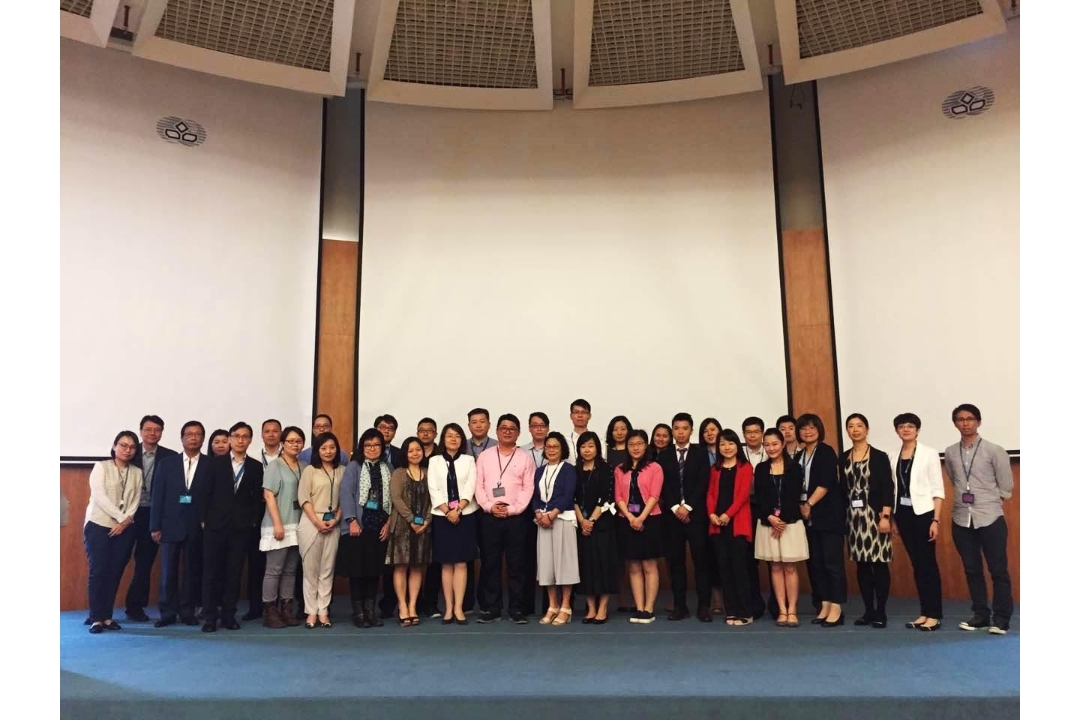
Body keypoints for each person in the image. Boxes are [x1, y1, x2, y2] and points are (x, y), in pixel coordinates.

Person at [943, 403, 1014, 635]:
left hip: (990, 517)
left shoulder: (994, 450)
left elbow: (1006, 485)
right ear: (955, 423)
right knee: (972, 569)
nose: (965, 423)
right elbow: (954, 479)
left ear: (979, 422)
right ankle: (981, 615)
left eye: (970, 419)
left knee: (998, 570)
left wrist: (991, 501)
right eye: (960, 419)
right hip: (962, 518)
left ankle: (1001, 618)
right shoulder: (951, 451)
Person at [197, 422, 264, 632]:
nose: (240, 440)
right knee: (211, 572)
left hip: (241, 528)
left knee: (233, 573)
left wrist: (252, 520)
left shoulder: (255, 466)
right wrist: (203, 519)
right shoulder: (214, 464)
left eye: (245, 437)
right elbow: (203, 493)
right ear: (231, 439)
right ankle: (210, 616)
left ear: (251, 440)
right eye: (236, 436)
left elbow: (256, 499)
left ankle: (228, 615)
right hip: (215, 527)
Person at [474, 413, 537, 624]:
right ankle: (492, 608)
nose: (507, 431)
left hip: (516, 519)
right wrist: (490, 506)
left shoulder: (525, 458)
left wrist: (513, 510)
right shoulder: (485, 457)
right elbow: (479, 486)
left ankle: (517, 608)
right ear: (497, 431)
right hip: (490, 517)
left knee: (517, 564)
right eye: (504, 428)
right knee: (490, 563)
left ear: (518, 433)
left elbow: (529, 487)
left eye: (512, 428)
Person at [888, 412, 945, 632]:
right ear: (896, 431)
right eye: (901, 426)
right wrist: (892, 518)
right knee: (917, 565)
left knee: (928, 563)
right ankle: (924, 612)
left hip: (924, 514)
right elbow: (893, 489)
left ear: (918, 430)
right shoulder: (893, 455)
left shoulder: (929, 453)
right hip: (902, 514)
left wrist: (936, 520)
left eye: (910, 426)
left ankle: (935, 614)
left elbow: (938, 489)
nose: (906, 429)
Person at [150, 421, 209, 627]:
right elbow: (158, 496)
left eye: (198, 434)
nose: (193, 437)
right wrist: (155, 526)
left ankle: (187, 611)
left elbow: (213, 498)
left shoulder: (211, 465)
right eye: (189, 434)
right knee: (168, 573)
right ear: (182, 438)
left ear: (203, 438)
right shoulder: (167, 463)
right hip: (169, 526)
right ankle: (167, 613)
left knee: (192, 572)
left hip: (197, 527)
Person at [84, 431, 143, 634]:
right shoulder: (101, 467)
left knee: (115, 572)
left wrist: (125, 522)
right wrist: (121, 518)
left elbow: (135, 500)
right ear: (115, 446)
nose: (127, 450)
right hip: (99, 524)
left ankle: (107, 617)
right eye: (123, 445)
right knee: (98, 571)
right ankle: (95, 618)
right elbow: (99, 495)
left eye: (132, 447)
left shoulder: (136, 472)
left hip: (125, 528)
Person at [658, 413, 713, 622]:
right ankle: (680, 607)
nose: (680, 432)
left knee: (701, 562)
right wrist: (675, 507)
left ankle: (703, 606)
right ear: (672, 431)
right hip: (672, 518)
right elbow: (664, 485)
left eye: (685, 428)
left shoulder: (700, 453)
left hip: (695, 516)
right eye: (677, 428)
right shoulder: (664, 455)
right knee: (676, 563)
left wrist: (687, 507)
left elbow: (703, 483)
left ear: (691, 430)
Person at [842, 413, 894, 628]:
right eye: (851, 426)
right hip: (853, 519)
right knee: (862, 567)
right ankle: (868, 611)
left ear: (867, 429)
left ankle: (881, 611)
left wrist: (885, 516)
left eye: (859, 426)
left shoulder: (879, 456)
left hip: (874, 517)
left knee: (879, 565)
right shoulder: (843, 457)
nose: (855, 430)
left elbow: (887, 487)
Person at [754, 428, 809, 628]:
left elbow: (793, 496)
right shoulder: (760, 469)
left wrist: (782, 520)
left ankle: (792, 610)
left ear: (783, 444)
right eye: (767, 445)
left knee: (790, 567)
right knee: (775, 567)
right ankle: (782, 610)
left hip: (790, 524)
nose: (771, 448)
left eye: (775, 444)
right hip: (768, 524)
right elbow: (759, 498)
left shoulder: (794, 467)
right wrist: (770, 518)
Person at [795, 413, 846, 627]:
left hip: (828, 515)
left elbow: (826, 483)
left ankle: (837, 606)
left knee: (832, 562)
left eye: (812, 427)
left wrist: (809, 504)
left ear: (819, 430)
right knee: (816, 563)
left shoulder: (825, 452)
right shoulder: (798, 456)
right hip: (806, 517)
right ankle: (824, 603)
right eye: (804, 428)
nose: (808, 431)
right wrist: (801, 506)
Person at [339, 429, 392, 628]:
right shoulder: (354, 467)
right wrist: (351, 520)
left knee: (374, 572)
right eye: (368, 445)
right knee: (357, 572)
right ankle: (359, 613)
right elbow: (345, 494)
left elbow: (393, 499)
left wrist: (388, 524)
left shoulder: (388, 467)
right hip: (358, 528)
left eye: (376, 445)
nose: (372, 449)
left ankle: (371, 612)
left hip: (379, 528)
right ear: (362, 447)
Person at [126, 414, 177, 622]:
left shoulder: (170, 457)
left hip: (153, 514)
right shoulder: (129, 451)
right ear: (141, 431)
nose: (152, 433)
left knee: (144, 563)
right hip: (127, 514)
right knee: (117, 562)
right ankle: (100, 611)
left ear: (162, 433)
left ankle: (135, 607)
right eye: (148, 429)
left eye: (157, 430)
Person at [427, 423, 478, 625]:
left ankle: (459, 607)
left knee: (462, 563)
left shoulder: (469, 460)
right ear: (443, 439)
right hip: (442, 516)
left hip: (465, 515)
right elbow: (433, 489)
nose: (453, 439)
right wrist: (448, 511)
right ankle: (448, 607)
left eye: (457, 436)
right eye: (449, 436)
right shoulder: (434, 461)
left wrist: (458, 510)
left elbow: (470, 487)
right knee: (446, 564)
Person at [258, 426, 308, 628]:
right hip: (279, 524)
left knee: (290, 570)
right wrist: (278, 523)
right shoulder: (275, 466)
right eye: (291, 441)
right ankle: (270, 610)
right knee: (274, 570)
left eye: (298, 441)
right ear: (283, 443)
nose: (295, 444)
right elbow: (268, 495)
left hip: (298, 524)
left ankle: (286, 608)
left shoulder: (304, 466)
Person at [615, 429, 664, 624]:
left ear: (646, 445)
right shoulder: (620, 469)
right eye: (631, 444)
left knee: (649, 565)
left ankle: (649, 608)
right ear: (627, 447)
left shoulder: (655, 467)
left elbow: (654, 495)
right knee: (633, 566)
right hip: (626, 520)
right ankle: (639, 607)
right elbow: (618, 496)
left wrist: (641, 517)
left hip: (650, 519)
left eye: (639, 443)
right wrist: (630, 517)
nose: (635, 448)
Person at [706, 429, 755, 626]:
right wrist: (712, 514)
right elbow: (709, 494)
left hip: (737, 524)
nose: (727, 447)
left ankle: (746, 611)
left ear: (737, 446)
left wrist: (727, 514)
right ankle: (732, 610)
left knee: (739, 568)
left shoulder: (745, 467)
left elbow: (743, 495)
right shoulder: (715, 469)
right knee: (724, 568)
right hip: (718, 525)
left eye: (731, 443)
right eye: (723, 444)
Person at [297, 432, 344, 628]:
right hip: (311, 522)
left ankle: (323, 611)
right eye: (323, 448)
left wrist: (336, 519)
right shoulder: (310, 470)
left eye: (332, 447)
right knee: (310, 572)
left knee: (327, 570)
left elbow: (345, 499)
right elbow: (303, 498)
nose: (328, 451)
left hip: (333, 523)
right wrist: (317, 522)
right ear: (317, 450)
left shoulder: (343, 470)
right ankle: (311, 612)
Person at [533, 432, 579, 626]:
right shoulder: (539, 471)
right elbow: (535, 495)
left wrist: (552, 514)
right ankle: (552, 605)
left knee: (564, 564)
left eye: (555, 447)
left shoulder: (568, 470)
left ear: (563, 450)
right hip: (543, 522)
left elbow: (568, 495)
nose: (551, 450)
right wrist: (538, 513)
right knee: (547, 565)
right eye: (548, 446)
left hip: (562, 519)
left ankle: (566, 606)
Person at [387, 437, 433, 626]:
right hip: (402, 527)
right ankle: (402, 606)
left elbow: (434, 499)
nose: (415, 453)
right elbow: (396, 498)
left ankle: (413, 606)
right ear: (405, 453)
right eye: (411, 450)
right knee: (401, 566)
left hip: (423, 527)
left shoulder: (428, 472)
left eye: (418, 450)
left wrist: (427, 520)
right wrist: (412, 519)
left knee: (417, 566)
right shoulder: (399, 473)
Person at [574, 431, 618, 624]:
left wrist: (590, 520)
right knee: (587, 567)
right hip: (581, 524)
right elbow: (573, 499)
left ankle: (603, 608)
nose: (587, 450)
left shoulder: (606, 468)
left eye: (591, 446)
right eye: (583, 446)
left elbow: (606, 497)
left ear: (597, 448)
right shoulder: (574, 469)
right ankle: (591, 607)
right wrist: (582, 521)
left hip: (602, 525)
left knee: (603, 565)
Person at [521, 412, 553, 616]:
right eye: (534, 425)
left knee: (550, 559)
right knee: (527, 558)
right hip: (527, 509)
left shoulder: (557, 448)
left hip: (552, 513)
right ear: (529, 428)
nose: (539, 429)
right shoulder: (521, 452)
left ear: (547, 428)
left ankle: (549, 605)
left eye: (542, 425)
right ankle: (526, 604)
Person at [741, 416, 768, 619]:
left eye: (756, 432)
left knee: (773, 559)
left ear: (762, 434)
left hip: (767, 509)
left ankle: (778, 606)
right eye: (748, 432)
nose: (752, 435)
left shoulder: (772, 452)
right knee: (749, 560)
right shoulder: (738, 454)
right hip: (745, 510)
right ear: (744, 435)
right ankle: (754, 604)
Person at [698, 417, 724, 614]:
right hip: (702, 511)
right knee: (709, 557)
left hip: (726, 511)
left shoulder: (728, 452)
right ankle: (715, 599)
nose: (709, 433)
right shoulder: (698, 454)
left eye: (713, 429)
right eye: (706, 430)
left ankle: (730, 598)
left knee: (725, 556)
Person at [565, 399, 592, 463]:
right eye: (576, 412)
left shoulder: (599, 441)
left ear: (589, 416)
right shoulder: (564, 440)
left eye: (584, 412)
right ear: (571, 416)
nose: (580, 415)